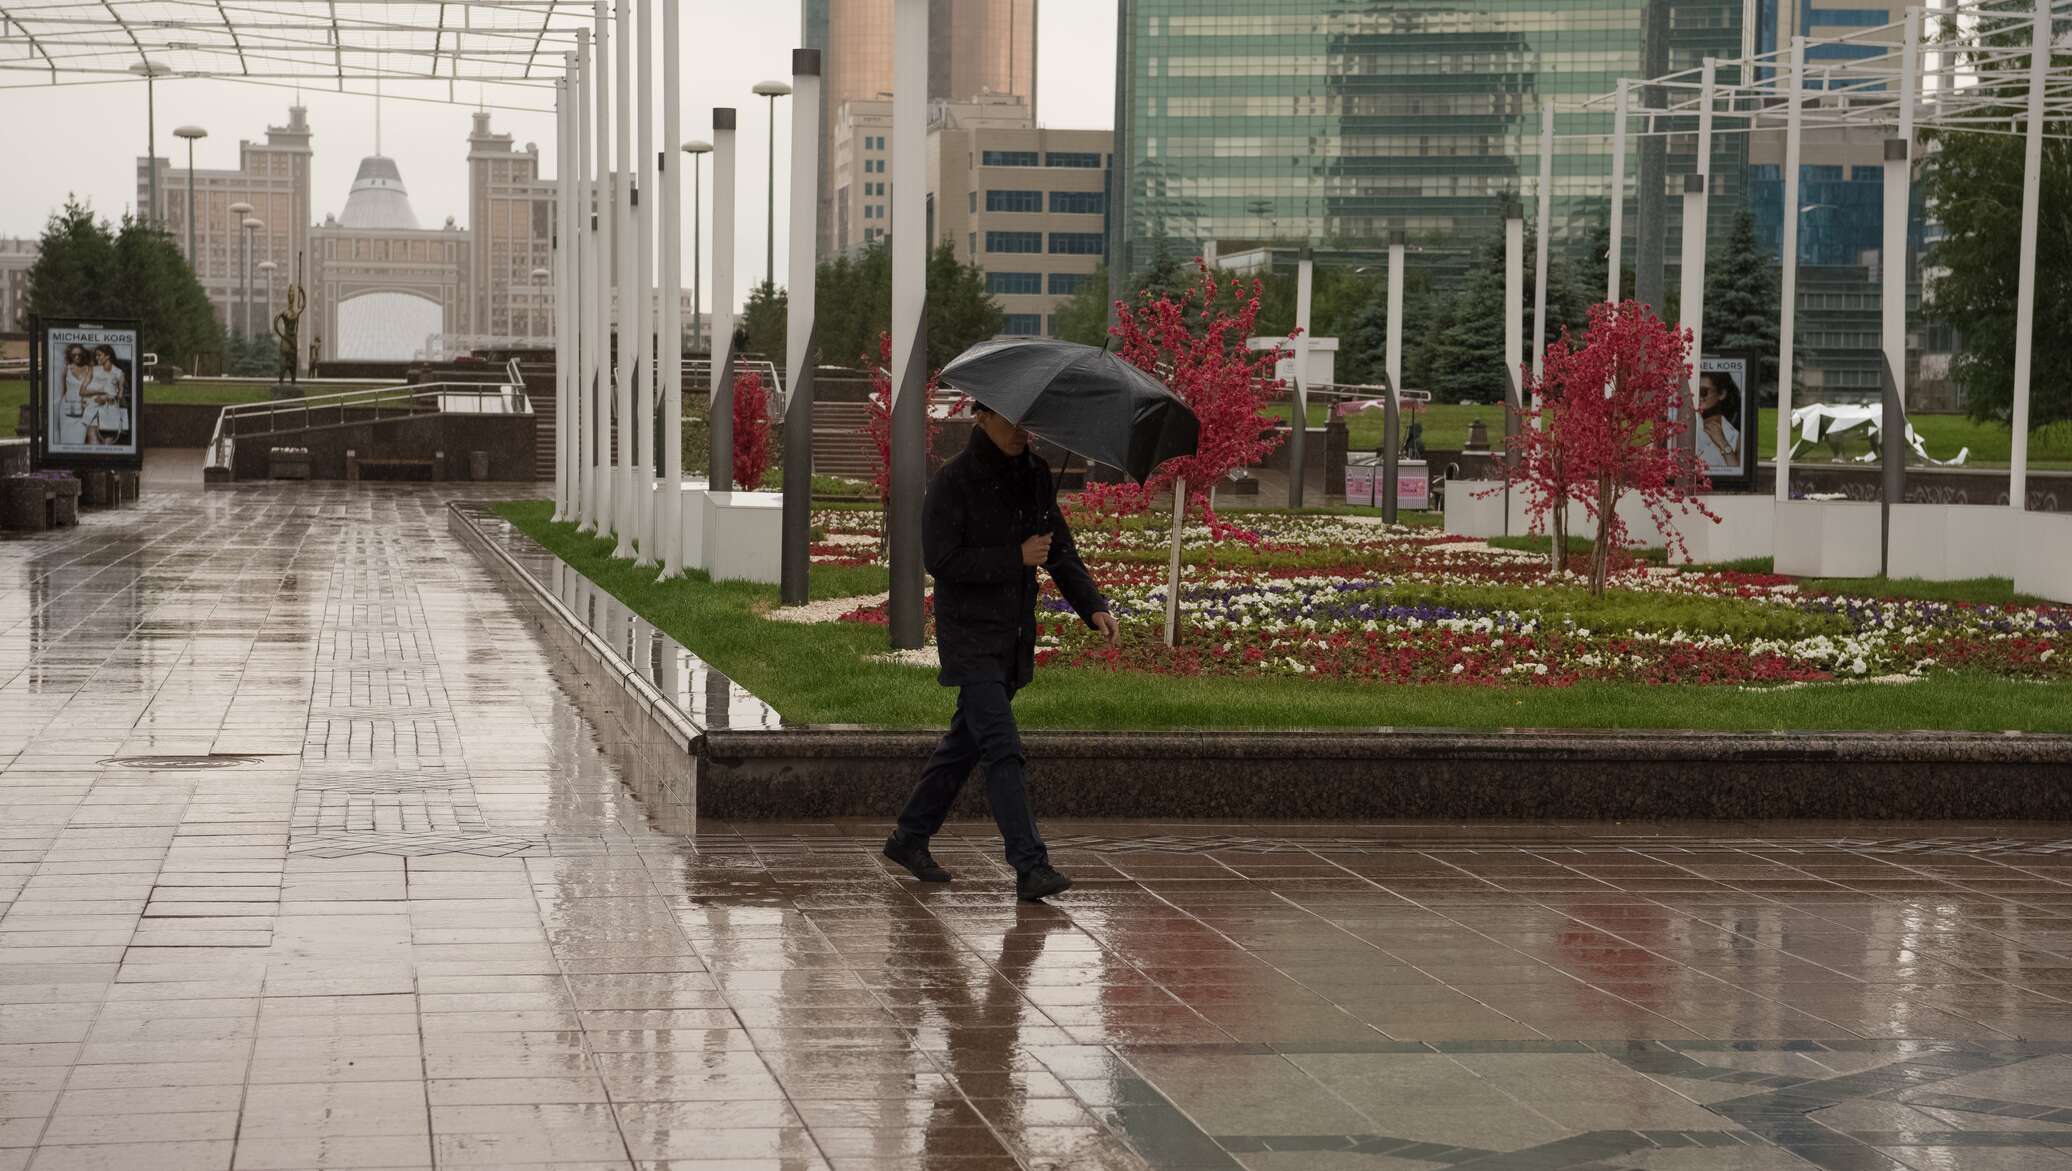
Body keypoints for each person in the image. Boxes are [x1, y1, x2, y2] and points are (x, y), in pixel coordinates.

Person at [882, 404, 1120, 902]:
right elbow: (941, 559)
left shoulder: (1035, 474)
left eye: (1026, 422)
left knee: (964, 745)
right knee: (1002, 747)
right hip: (969, 638)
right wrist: (1013, 557)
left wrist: (1092, 606)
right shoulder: (953, 480)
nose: (1020, 431)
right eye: (1009, 420)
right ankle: (1030, 865)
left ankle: (909, 837)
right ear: (981, 416)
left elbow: (1059, 551)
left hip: (1011, 637)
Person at [84, 345, 128, 446]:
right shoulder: (94, 370)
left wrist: (108, 397)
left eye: (99, 355)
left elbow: (120, 395)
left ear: (108, 356)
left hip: (110, 410)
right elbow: (84, 390)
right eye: (96, 355)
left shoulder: (118, 373)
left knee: (107, 441)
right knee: (93, 439)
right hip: (92, 409)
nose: (97, 358)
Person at [1697, 371, 1742, 470]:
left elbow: (1736, 473)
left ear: (1721, 394)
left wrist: (1723, 443)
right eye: (1694, 390)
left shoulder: (1735, 435)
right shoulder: (1686, 425)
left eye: (1703, 391)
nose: (1698, 397)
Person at [55, 344, 92, 448]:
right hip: (67, 409)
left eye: (79, 354)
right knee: (66, 441)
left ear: (83, 355)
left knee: (80, 440)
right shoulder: (66, 369)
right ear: (70, 356)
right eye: (74, 354)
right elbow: (63, 391)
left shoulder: (89, 369)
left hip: (83, 409)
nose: (77, 357)